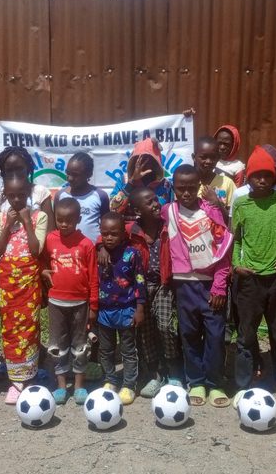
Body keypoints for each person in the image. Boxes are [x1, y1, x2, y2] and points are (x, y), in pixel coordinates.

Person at [230, 146, 276, 411]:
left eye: (267, 175)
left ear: (274, 177)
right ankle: (243, 386)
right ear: (248, 177)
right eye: (256, 175)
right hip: (250, 279)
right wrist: (236, 265)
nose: (262, 180)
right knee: (246, 336)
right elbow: (236, 240)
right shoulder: (241, 203)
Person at [166, 165, 233, 407]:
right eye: (181, 188)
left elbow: (224, 251)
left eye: (191, 188)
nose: (186, 193)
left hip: (211, 285)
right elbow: (127, 212)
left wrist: (219, 286)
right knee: (189, 334)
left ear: (199, 187)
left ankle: (214, 383)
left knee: (215, 335)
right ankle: (196, 381)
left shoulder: (211, 212)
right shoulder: (168, 211)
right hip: (184, 285)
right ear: (173, 188)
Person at [0, 172, 49, 403]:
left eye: (21, 195)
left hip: (29, 282)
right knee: (10, 330)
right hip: (8, 284)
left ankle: (30, 376)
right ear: (5, 196)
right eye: (11, 196)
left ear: (28, 194)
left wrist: (26, 222)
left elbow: (36, 250)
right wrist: (8, 225)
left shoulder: (39, 217)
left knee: (30, 329)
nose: (16, 200)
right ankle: (15, 381)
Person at [43, 197, 98, 405]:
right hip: (56, 302)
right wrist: (42, 270)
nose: (64, 224)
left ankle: (79, 385)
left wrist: (93, 305)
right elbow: (41, 259)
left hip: (80, 304)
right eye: (60, 220)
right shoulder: (50, 239)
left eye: (69, 220)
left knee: (80, 345)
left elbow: (93, 277)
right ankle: (61, 386)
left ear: (78, 219)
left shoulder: (86, 244)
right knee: (58, 345)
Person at [127, 187, 181, 397]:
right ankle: (154, 374)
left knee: (165, 325)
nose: (155, 204)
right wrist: (102, 247)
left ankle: (173, 370)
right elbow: (107, 235)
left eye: (155, 199)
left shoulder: (167, 226)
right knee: (145, 331)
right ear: (137, 210)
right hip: (140, 288)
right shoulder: (131, 231)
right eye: (148, 202)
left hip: (163, 284)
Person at [96, 211, 146, 404]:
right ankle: (110, 380)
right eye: (105, 233)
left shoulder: (132, 254)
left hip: (126, 310)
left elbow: (140, 281)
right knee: (106, 350)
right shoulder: (98, 253)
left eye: (114, 233)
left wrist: (140, 308)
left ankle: (129, 385)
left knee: (128, 350)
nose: (109, 237)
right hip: (104, 310)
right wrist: (100, 247)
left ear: (123, 234)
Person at [110, 137, 174, 214]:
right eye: (141, 159)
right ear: (133, 161)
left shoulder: (165, 185)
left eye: (149, 159)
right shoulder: (123, 180)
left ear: (157, 162)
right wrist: (131, 183)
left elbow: (169, 213)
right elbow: (113, 210)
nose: (144, 164)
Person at [56, 152, 109, 242]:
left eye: (75, 175)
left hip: (93, 248)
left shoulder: (100, 196)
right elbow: (56, 227)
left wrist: (101, 246)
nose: (70, 178)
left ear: (89, 174)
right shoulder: (60, 196)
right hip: (66, 249)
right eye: (68, 173)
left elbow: (106, 227)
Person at [0, 145, 53, 220]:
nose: (15, 174)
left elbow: (50, 227)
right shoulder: (0, 197)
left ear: (28, 169)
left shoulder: (41, 192)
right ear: (3, 173)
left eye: (19, 169)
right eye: (9, 170)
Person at [193, 135, 236, 215]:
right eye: (203, 157)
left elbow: (232, 218)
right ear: (194, 157)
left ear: (218, 158)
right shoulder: (188, 183)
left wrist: (216, 202)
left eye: (213, 157)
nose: (208, 161)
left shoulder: (227, 183)